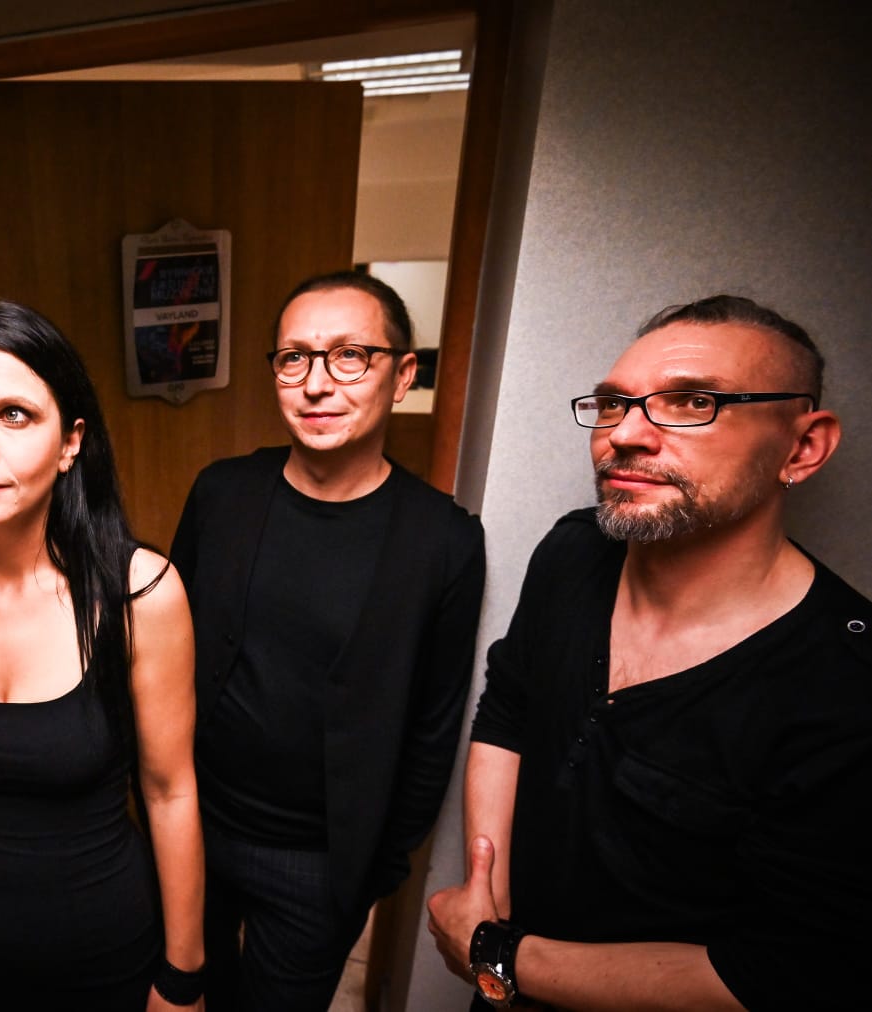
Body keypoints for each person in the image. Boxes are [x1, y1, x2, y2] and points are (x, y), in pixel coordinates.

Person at [428, 295, 869, 1010]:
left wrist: (503, 957)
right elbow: (509, 708)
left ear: (801, 448)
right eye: (612, 404)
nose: (625, 434)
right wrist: (487, 895)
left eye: (693, 402)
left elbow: (786, 972)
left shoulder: (844, 684)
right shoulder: (574, 550)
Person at [170, 269, 486, 1010]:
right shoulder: (222, 493)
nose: (316, 384)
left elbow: (434, 721)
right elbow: (166, 652)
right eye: (294, 358)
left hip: (319, 865)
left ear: (402, 375)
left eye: (350, 356)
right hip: (194, 825)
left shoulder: (442, 540)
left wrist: (379, 863)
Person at [0, 300, 205, 1011]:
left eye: (14, 415)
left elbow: (169, 790)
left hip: (104, 949)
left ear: (69, 443)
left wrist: (183, 975)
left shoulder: (140, 594)